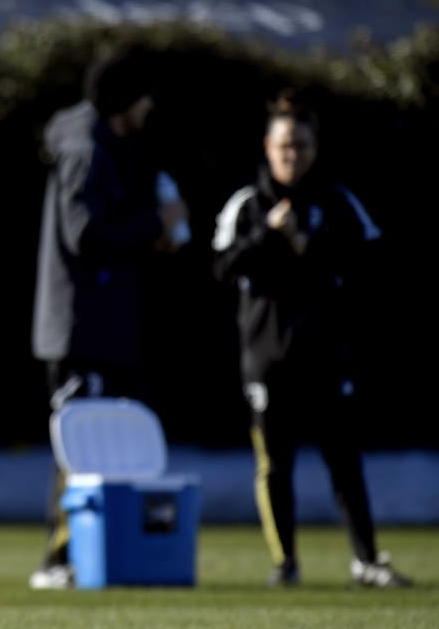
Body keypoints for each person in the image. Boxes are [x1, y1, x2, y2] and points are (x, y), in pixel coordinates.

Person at [211, 90, 413, 589]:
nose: (291, 155)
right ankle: (286, 565)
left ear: (314, 148)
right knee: (274, 466)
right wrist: (267, 237)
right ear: (267, 146)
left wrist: (309, 246)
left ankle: (366, 560)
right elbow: (220, 268)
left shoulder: (338, 202)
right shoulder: (246, 205)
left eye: (300, 145)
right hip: (267, 359)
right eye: (283, 145)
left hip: (326, 357)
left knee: (344, 463)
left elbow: (373, 264)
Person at [28, 48, 189, 590]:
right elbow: (86, 233)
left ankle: (100, 556)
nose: (150, 105)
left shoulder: (102, 142)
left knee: (105, 445)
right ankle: (58, 561)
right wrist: (154, 224)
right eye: (144, 95)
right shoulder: (86, 149)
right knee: (79, 443)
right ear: (126, 101)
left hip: (102, 325)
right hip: (81, 326)